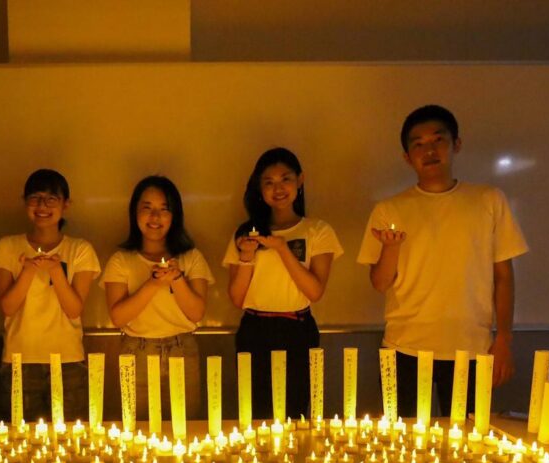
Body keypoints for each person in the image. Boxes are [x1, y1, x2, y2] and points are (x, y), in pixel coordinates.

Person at [357, 104, 529, 419]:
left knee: (466, 440)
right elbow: (380, 283)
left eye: (438, 140)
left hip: (471, 347)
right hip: (403, 347)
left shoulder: (488, 200)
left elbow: (504, 276)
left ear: (456, 144)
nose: (429, 151)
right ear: (407, 157)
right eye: (418, 144)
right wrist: (392, 248)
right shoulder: (389, 210)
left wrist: (504, 339)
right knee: (406, 439)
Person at [223, 148, 343, 421]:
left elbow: (314, 291)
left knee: (295, 414)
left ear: (300, 180)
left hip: (297, 328)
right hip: (255, 328)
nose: (278, 188)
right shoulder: (246, 234)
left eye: (285, 179)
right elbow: (238, 299)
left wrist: (281, 248)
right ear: (259, 188)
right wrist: (246, 256)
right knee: (254, 414)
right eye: (269, 182)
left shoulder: (318, 230)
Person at [0, 169, 100, 423]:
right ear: (25, 202)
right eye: (35, 198)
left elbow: (74, 309)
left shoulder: (80, 249)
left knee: (69, 438)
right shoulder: (7, 247)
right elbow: (8, 306)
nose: (42, 206)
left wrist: (55, 271)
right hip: (19, 360)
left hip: (68, 360)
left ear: (65, 205)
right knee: (20, 439)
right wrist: (29, 270)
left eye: (51, 199)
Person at [101, 176, 213, 423]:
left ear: (175, 215)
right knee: (138, 428)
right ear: (135, 212)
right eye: (147, 208)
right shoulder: (121, 260)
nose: (155, 217)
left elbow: (196, 313)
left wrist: (176, 278)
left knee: (185, 427)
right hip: (136, 350)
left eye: (164, 209)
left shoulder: (191, 257)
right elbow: (118, 317)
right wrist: (153, 283)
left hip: (182, 348)